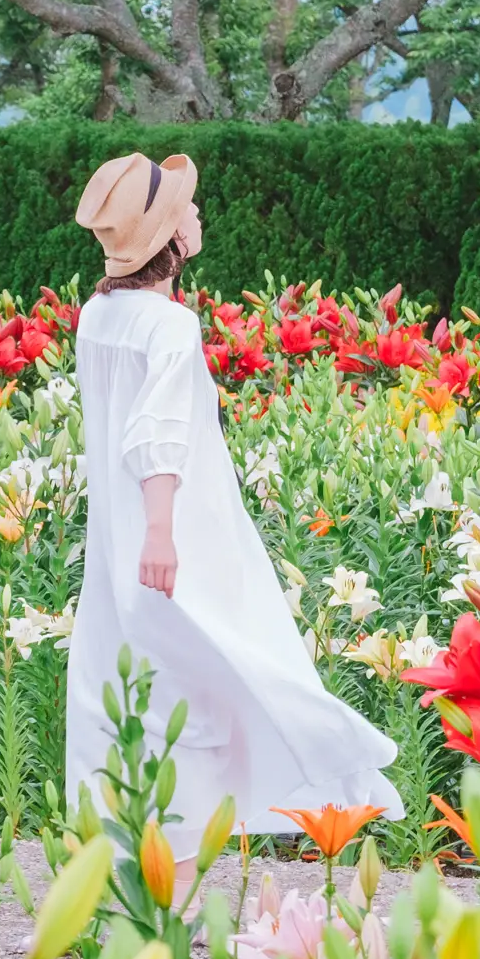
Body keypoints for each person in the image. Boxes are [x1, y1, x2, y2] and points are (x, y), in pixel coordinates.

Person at [63, 151, 402, 832]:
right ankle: (301, 786)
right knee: (234, 672)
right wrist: (161, 530)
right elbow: (153, 432)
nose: (196, 212)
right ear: (170, 239)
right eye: (185, 207)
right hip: (180, 533)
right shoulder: (167, 325)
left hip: (119, 540)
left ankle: (151, 853)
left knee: (149, 687)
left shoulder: (99, 317)